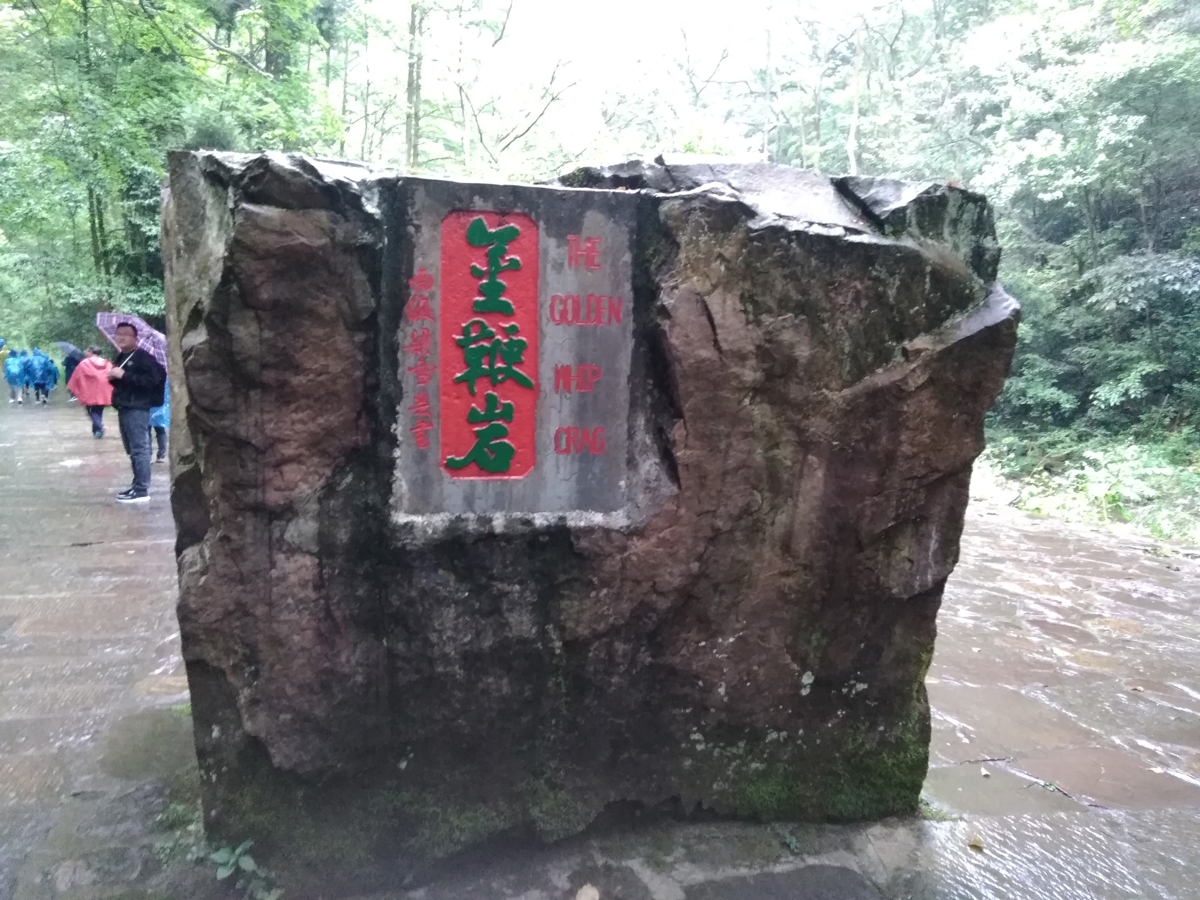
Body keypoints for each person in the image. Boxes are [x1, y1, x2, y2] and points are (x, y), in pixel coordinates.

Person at [108, 322, 166, 503]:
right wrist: (113, 378)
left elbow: (153, 380)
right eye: (118, 334)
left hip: (137, 408)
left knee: (140, 449)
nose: (121, 337)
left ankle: (142, 490)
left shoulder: (143, 358)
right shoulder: (122, 356)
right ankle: (136, 486)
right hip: (124, 406)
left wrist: (124, 375)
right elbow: (123, 383)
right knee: (131, 449)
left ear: (136, 338)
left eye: (126, 334)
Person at [67, 347, 114, 437]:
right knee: (98, 411)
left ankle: (100, 426)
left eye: (87, 351)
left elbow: (77, 376)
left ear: (91, 352)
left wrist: (72, 388)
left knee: (90, 411)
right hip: (103, 391)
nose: (86, 352)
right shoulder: (107, 363)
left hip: (90, 391)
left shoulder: (85, 363)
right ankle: (97, 432)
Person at [148, 377, 170, 463]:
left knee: (148, 430)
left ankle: (149, 454)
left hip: (149, 404)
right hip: (159, 404)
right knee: (160, 430)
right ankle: (161, 454)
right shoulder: (163, 372)